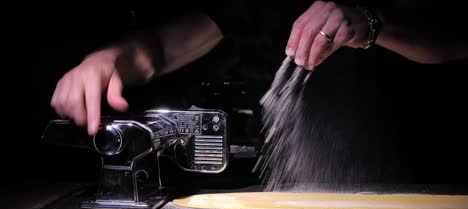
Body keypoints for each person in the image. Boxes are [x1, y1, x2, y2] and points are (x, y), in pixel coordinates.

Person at [50, 0, 468, 136]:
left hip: (410, 161)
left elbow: (451, 43)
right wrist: (105, 60)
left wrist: (372, 24)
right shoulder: (256, 7)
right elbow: (158, 48)